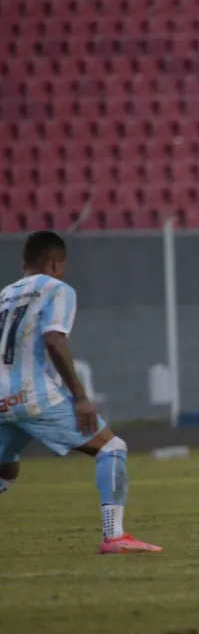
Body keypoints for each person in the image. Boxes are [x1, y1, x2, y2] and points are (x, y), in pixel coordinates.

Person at [0, 231, 161, 554]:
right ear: (56, 263)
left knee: (6, 469)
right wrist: (80, 397)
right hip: (32, 396)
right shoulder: (57, 289)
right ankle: (114, 536)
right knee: (111, 447)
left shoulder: (5, 295)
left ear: (24, 261)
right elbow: (54, 339)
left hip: (2, 400)